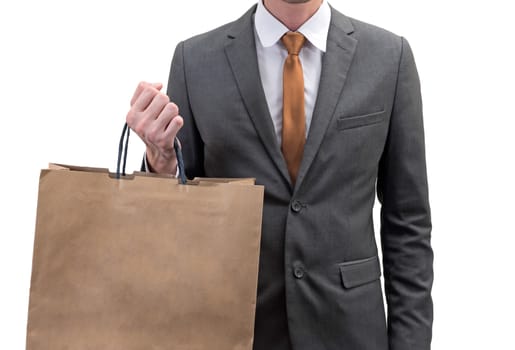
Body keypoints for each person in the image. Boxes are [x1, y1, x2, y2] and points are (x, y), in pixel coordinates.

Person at [126, 0, 433, 349]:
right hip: (236, 331)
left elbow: (408, 224)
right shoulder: (195, 60)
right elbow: (173, 228)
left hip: (351, 331)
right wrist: (159, 165)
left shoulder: (389, 58)